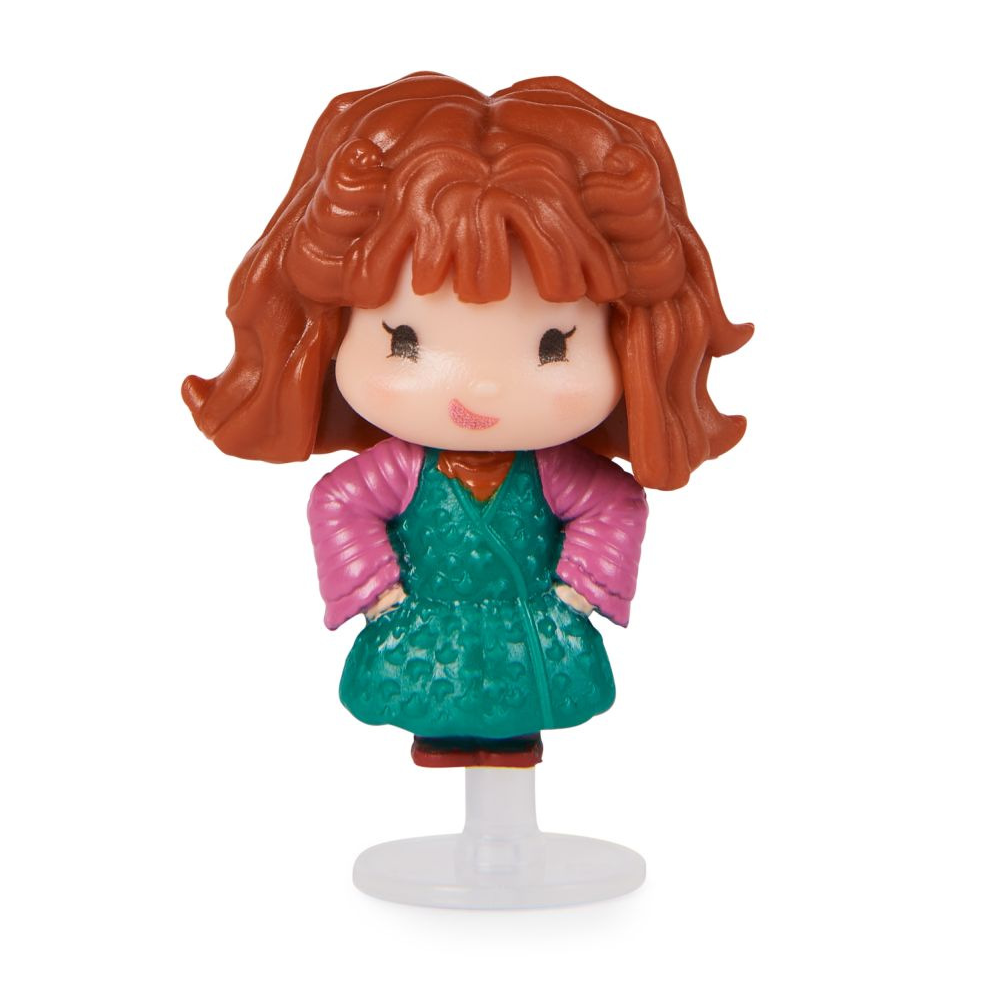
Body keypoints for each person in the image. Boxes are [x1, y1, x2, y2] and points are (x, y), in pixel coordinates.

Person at [182, 71, 752, 768]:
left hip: (531, 627)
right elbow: (338, 503)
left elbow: (615, 504)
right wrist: (376, 591)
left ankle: (512, 747)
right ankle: (443, 740)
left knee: (524, 708)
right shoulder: (400, 468)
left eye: (553, 345)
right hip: (424, 624)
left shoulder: (556, 470)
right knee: (430, 701)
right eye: (405, 341)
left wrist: (579, 591)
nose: (480, 387)